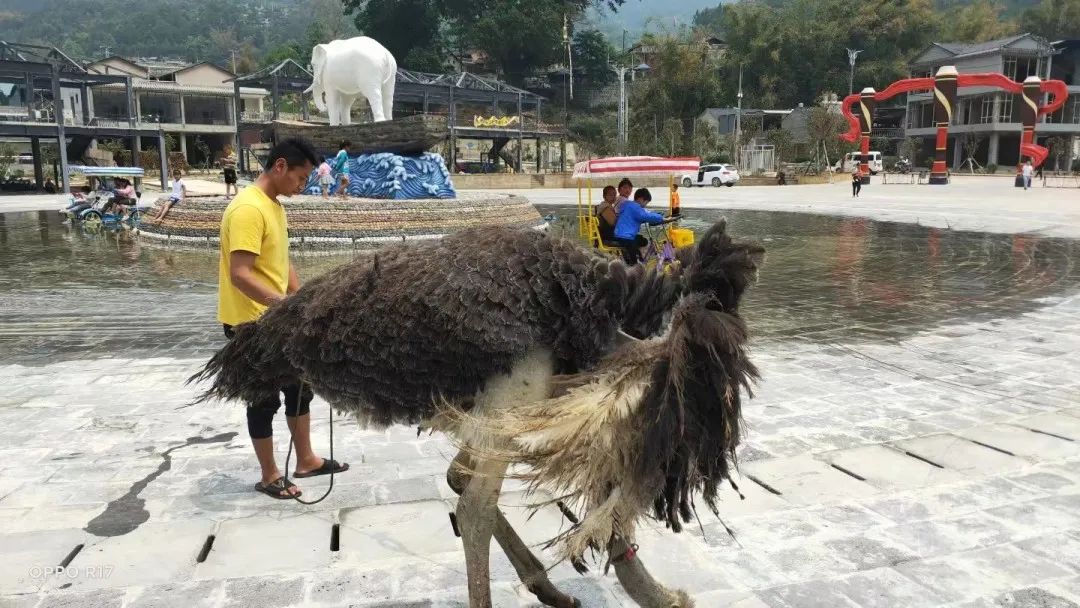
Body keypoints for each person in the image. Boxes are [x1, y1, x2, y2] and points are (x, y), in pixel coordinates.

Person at [217, 137, 350, 500]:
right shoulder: (248, 209)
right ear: (279, 167)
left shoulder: (274, 205)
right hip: (251, 323)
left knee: (299, 390)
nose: (303, 185)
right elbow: (240, 274)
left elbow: (281, 258)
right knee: (262, 399)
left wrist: (300, 299)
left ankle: (306, 460)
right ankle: (269, 474)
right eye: (300, 177)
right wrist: (283, 306)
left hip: (277, 317)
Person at [613, 187, 671, 265]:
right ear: (641, 199)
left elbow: (645, 214)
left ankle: (638, 259)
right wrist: (661, 218)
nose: (645, 205)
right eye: (646, 202)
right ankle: (634, 267)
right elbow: (645, 215)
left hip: (620, 234)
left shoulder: (628, 205)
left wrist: (657, 215)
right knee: (634, 262)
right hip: (626, 237)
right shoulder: (635, 208)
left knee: (643, 240)